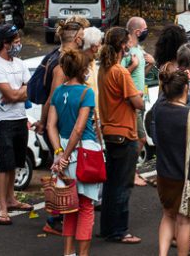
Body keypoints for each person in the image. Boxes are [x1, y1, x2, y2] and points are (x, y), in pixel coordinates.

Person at [149, 66, 190, 256]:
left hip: (163, 174)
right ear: (186, 90)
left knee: (168, 215)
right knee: (184, 220)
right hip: (185, 175)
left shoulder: (160, 109)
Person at [47, 49, 103, 256]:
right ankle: (83, 254)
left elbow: (51, 125)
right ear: (83, 69)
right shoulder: (86, 92)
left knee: (69, 208)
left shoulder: (58, 92)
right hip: (84, 153)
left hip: (62, 150)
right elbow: (79, 129)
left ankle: (68, 253)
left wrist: (59, 152)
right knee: (86, 206)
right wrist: (67, 154)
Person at [37, 17, 89, 235]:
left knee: (63, 170)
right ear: (77, 38)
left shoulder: (59, 58)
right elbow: (52, 98)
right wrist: (43, 122)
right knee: (61, 170)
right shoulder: (62, 64)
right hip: (58, 127)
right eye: (84, 37)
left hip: (59, 124)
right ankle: (55, 217)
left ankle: (62, 212)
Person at [93, 27, 145, 245]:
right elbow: (138, 103)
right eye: (127, 43)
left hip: (110, 132)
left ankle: (107, 228)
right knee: (123, 185)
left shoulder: (104, 70)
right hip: (125, 132)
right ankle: (120, 231)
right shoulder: (120, 72)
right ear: (122, 45)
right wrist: (137, 96)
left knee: (112, 184)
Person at [0, 24, 33, 225]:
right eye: (15, 41)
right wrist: (19, 93)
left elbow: (30, 89)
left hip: (20, 117)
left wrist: (17, 94)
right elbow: (11, 94)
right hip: (2, 121)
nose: (19, 44)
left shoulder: (20, 64)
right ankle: (2, 208)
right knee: (4, 164)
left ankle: (12, 199)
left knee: (16, 161)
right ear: (5, 43)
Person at [121, 17, 156, 187]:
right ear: (137, 32)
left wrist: (150, 64)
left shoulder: (138, 49)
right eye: (145, 28)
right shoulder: (126, 50)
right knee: (139, 139)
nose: (147, 31)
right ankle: (129, 173)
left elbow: (140, 74)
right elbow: (119, 75)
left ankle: (131, 172)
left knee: (138, 139)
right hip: (130, 102)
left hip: (139, 99)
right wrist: (133, 66)